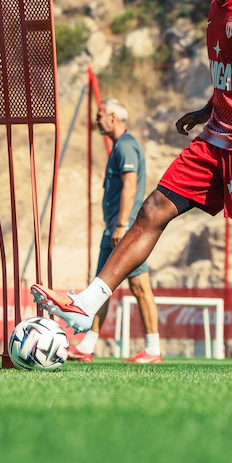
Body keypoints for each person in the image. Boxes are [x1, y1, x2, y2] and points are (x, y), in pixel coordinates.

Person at [32, 0, 232, 375]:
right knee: (154, 209)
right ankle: (85, 304)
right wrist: (205, 110)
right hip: (216, 135)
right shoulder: (217, 10)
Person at [69, 98, 163, 364]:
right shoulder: (118, 147)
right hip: (114, 229)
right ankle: (87, 346)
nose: (96, 120)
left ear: (113, 117)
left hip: (126, 230)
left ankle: (153, 350)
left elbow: (130, 184)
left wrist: (122, 225)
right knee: (100, 285)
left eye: (99, 115)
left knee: (139, 286)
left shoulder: (127, 145)